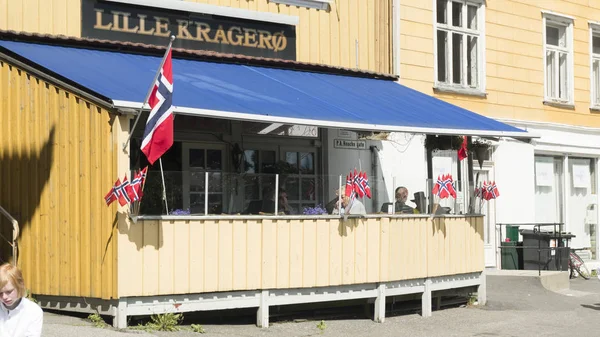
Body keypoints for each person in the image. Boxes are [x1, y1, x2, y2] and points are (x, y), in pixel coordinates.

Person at [0, 263, 43, 337]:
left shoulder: (33, 311)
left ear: (20, 285)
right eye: (0, 293)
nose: (4, 297)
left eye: (9, 291)